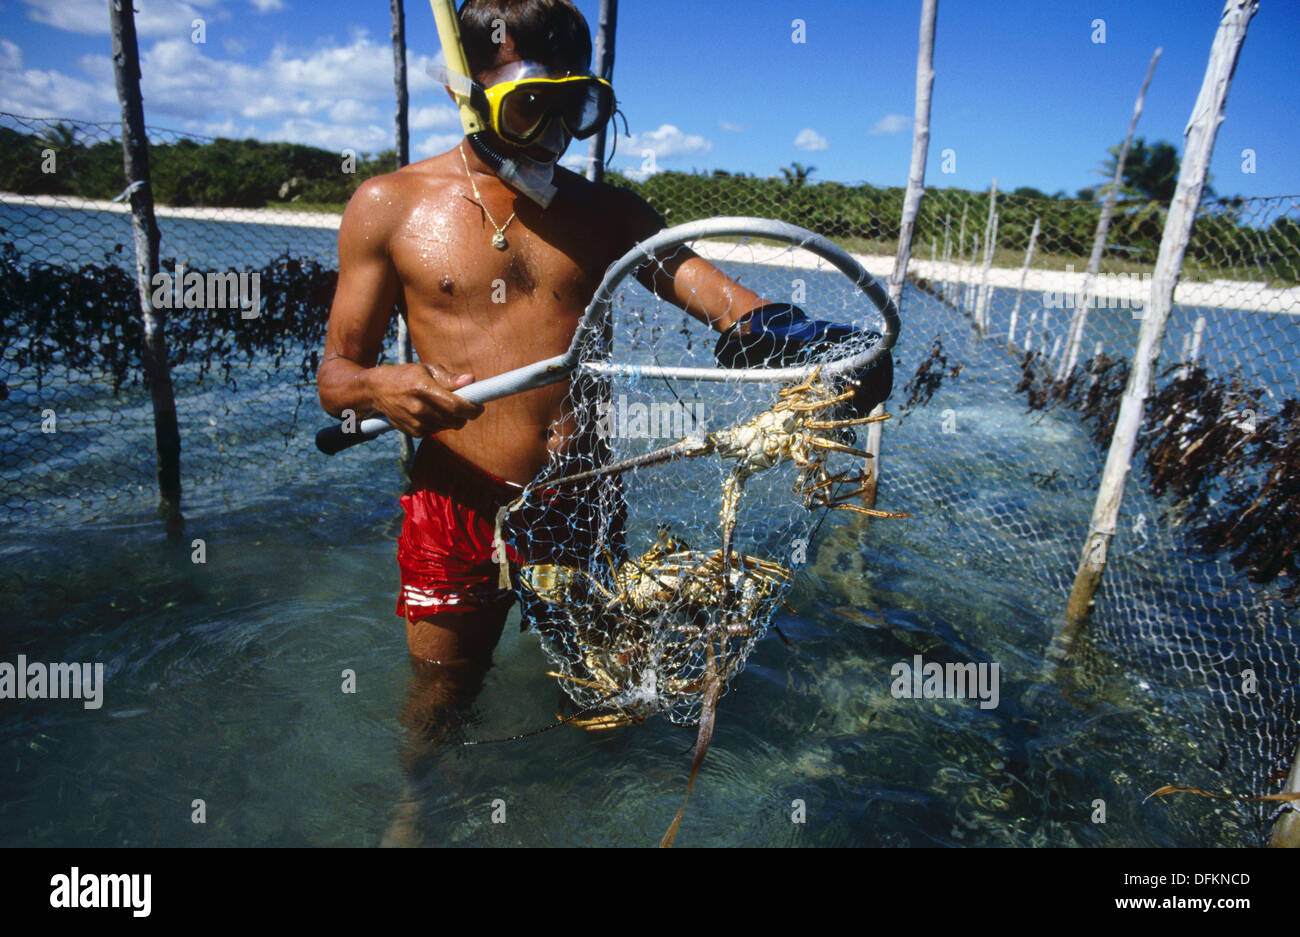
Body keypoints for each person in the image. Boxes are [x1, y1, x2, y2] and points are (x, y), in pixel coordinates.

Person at [317, 0, 891, 688]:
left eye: (577, 108)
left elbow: (733, 309)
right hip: (456, 505)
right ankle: (421, 803)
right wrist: (381, 386)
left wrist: (825, 347)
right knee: (440, 706)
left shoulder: (610, 216)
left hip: (580, 501)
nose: (555, 136)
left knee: (603, 697)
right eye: (531, 107)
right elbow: (337, 379)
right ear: (464, 94)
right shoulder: (389, 205)